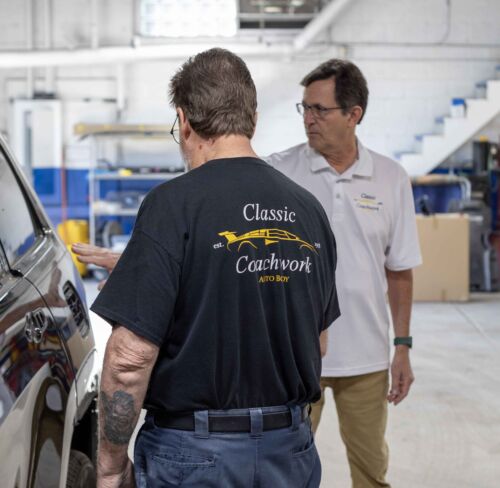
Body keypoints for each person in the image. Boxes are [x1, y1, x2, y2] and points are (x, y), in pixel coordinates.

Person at [90, 48, 340, 488]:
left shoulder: (171, 206)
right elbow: (317, 343)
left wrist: (110, 465)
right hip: (290, 451)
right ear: (253, 119)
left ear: (184, 121)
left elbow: (129, 359)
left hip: (194, 457)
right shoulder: (309, 211)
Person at [265, 59, 422, 488]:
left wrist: (402, 347)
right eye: (304, 108)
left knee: (371, 472)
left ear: (354, 114)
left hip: (366, 359)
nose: (308, 119)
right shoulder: (279, 172)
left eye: (320, 109)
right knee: (285, 474)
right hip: (296, 357)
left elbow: (400, 270)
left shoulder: (390, 178)